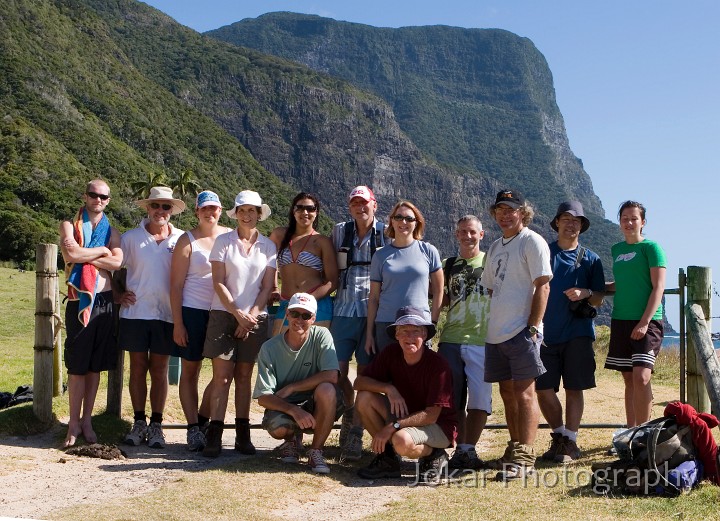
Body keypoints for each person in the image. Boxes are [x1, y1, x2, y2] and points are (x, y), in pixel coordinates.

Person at [479, 189, 552, 480]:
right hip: (497, 333)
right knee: (507, 393)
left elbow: (543, 285)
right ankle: (514, 447)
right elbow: (491, 286)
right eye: (500, 210)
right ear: (494, 213)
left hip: (522, 331)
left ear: (523, 213)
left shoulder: (532, 241)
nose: (505, 215)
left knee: (524, 393)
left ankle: (525, 457)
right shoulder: (496, 246)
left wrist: (533, 327)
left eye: (511, 209)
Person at [202, 190, 277, 458]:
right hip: (223, 314)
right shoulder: (223, 242)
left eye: (252, 210)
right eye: (242, 210)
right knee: (222, 378)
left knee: (244, 377)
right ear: (236, 213)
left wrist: (250, 317)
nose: (247, 215)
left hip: (256, 316)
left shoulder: (268, 246)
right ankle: (214, 436)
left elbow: (267, 286)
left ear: (259, 214)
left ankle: (242, 437)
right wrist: (237, 314)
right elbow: (218, 282)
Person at [536, 201, 605, 463]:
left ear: (582, 226)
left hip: (578, 333)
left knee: (574, 388)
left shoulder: (591, 259)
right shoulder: (543, 252)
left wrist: (585, 292)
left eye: (576, 220)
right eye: (566, 218)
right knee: (543, 389)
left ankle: (571, 442)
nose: (571, 223)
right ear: (557, 222)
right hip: (544, 333)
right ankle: (559, 436)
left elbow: (599, 297)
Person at [354, 306, 457, 481]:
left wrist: (393, 426)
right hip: (405, 416)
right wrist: (388, 388)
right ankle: (388, 459)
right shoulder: (390, 353)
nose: (409, 337)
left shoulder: (438, 365)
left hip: (438, 425)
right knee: (364, 398)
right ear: (396, 335)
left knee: (401, 440)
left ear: (424, 335)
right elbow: (359, 383)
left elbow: (431, 415)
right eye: (404, 331)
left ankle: (434, 455)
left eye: (415, 331)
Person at [118, 186, 185, 449]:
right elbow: (115, 266)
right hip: (136, 312)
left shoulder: (181, 239)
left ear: (172, 211)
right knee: (137, 368)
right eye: (155, 206)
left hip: (167, 313)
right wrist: (119, 294)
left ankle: (156, 424)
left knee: (159, 370)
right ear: (147, 208)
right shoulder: (130, 238)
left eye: (165, 207)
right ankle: (138, 421)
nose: (160, 211)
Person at [59, 179, 123, 447]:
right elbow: (69, 252)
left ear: (108, 200)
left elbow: (118, 262)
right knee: (77, 366)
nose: (98, 199)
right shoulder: (68, 225)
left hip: (105, 301)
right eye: (94, 195)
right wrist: (101, 252)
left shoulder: (113, 231)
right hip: (79, 299)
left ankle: (87, 420)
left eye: (103, 196)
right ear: (85, 196)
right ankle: (73, 423)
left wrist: (84, 255)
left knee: (95, 365)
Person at [253, 293, 344, 474]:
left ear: (314, 319)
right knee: (278, 429)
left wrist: (292, 387)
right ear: (286, 314)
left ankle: (316, 451)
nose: (299, 320)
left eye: (306, 315)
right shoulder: (269, 347)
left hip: (314, 403)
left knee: (328, 389)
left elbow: (332, 375)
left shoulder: (322, 335)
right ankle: (291, 440)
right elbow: (263, 396)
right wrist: (295, 411)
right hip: (285, 406)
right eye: (295, 314)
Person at [170, 190, 232, 451]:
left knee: (222, 374)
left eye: (214, 208)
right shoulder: (187, 240)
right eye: (204, 209)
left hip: (221, 311)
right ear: (197, 212)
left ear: (220, 210)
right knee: (191, 370)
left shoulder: (230, 236)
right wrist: (178, 323)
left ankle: (204, 419)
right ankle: (193, 427)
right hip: (193, 311)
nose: (210, 213)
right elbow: (175, 286)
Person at [330, 185, 386, 461]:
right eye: (355, 203)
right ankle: (349, 415)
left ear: (374, 204)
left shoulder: (386, 232)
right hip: (343, 308)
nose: (360, 207)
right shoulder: (340, 231)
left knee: (364, 373)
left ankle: (355, 431)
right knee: (338, 371)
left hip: (371, 312)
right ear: (349, 206)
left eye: (364, 203)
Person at [437, 215, 492, 470]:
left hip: (483, 340)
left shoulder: (492, 262)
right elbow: (441, 299)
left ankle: (469, 450)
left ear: (482, 235)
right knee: (454, 399)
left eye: (472, 232)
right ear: (456, 234)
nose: (467, 236)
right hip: (451, 338)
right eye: (462, 232)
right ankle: (461, 449)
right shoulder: (447, 265)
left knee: (480, 400)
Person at [604, 201, 666, 427]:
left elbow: (658, 287)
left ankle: (644, 432)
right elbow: (621, 283)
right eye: (624, 219)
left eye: (634, 218)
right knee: (629, 378)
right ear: (619, 222)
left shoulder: (652, 248)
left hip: (646, 321)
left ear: (643, 222)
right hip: (621, 319)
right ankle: (630, 433)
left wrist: (644, 322)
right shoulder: (617, 250)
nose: (629, 223)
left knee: (642, 376)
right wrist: (595, 289)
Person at [365, 201, 443, 356]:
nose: (403, 222)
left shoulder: (428, 251)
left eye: (409, 218)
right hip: (387, 325)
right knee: (389, 376)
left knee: (418, 376)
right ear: (392, 221)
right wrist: (369, 334)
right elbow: (373, 297)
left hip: (419, 324)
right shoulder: (380, 256)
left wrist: (432, 323)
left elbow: (439, 290)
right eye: (398, 217)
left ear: (417, 223)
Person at [270, 192, 338, 336]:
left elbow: (332, 281)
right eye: (299, 208)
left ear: (316, 212)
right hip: (287, 305)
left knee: (313, 356)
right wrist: (274, 287)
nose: (304, 212)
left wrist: (306, 301)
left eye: (310, 209)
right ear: (293, 211)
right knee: (281, 354)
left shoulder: (322, 241)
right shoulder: (278, 235)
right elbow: (267, 265)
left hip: (316, 307)